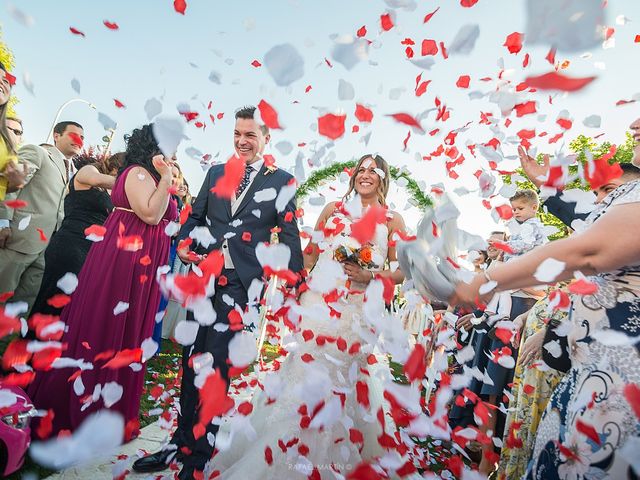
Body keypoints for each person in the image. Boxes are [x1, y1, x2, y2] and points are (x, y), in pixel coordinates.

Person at [450, 117, 640, 479]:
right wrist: (548, 184)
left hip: (624, 381)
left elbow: (587, 250)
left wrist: (483, 282)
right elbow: (585, 219)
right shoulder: (629, 198)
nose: (633, 122)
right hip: (590, 371)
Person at [205, 153, 407, 479]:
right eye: (362, 169)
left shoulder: (392, 220)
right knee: (306, 373)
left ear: (383, 178)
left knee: (345, 380)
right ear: (353, 175)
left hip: (357, 312)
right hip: (319, 304)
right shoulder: (332, 210)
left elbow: (401, 273)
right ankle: (286, 452)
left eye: (374, 170)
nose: (366, 175)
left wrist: (369, 276)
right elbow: (310, 255)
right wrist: (289, 273)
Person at [133, 106, 304, 479]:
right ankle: (179, 444)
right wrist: (183, 243)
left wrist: (299, 285)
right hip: (203, 283)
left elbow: (290, 238)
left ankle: (196, 462)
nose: (242, 142)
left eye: (250, 136)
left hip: (240, 289)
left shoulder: (282, 181)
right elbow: (194, 218)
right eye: (237, 135)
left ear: (265, 139)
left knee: (214, 374)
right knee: (190, 363)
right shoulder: (215, 173)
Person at [26, 125, 178, 438]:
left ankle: (113, 409)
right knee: (108, 327)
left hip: (146, 264)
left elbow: (163, 214)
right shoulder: (137, 173)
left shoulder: (151, 176)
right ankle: (83, 407)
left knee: (129, 331)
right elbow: (150, 214)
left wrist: (166, 179)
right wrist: (165, 179)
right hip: (127, 259)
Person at [477, 188, 547, 474]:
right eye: (513, 209)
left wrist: (507, 261)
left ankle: (511, 455)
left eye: (520, 209)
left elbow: (541, 289)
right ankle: (486, 455)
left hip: (525, 309)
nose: (516, 213)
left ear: (533, 208)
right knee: (491, 386)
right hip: (504, 315)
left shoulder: (535, 234)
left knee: (516, 387)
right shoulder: (515, 233)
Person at [0, 121, 84, 311]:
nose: (79, 140)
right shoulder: (38, 152)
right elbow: (9, 185)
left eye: (82, 137)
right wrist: (2, 222)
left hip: (47, 249)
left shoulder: (75, 173)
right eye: (73, 135)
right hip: (18, 238)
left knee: (21, 307)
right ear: (56, 135)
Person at [28, 152, 123, 319]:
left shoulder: (112, 193)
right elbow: (96, 180)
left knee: (69, 305)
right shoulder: (88, 171)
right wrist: (131, 182)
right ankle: (32, 342)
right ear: (116, 167)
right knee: (52, 301)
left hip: (91, 251)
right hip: (71, 245)